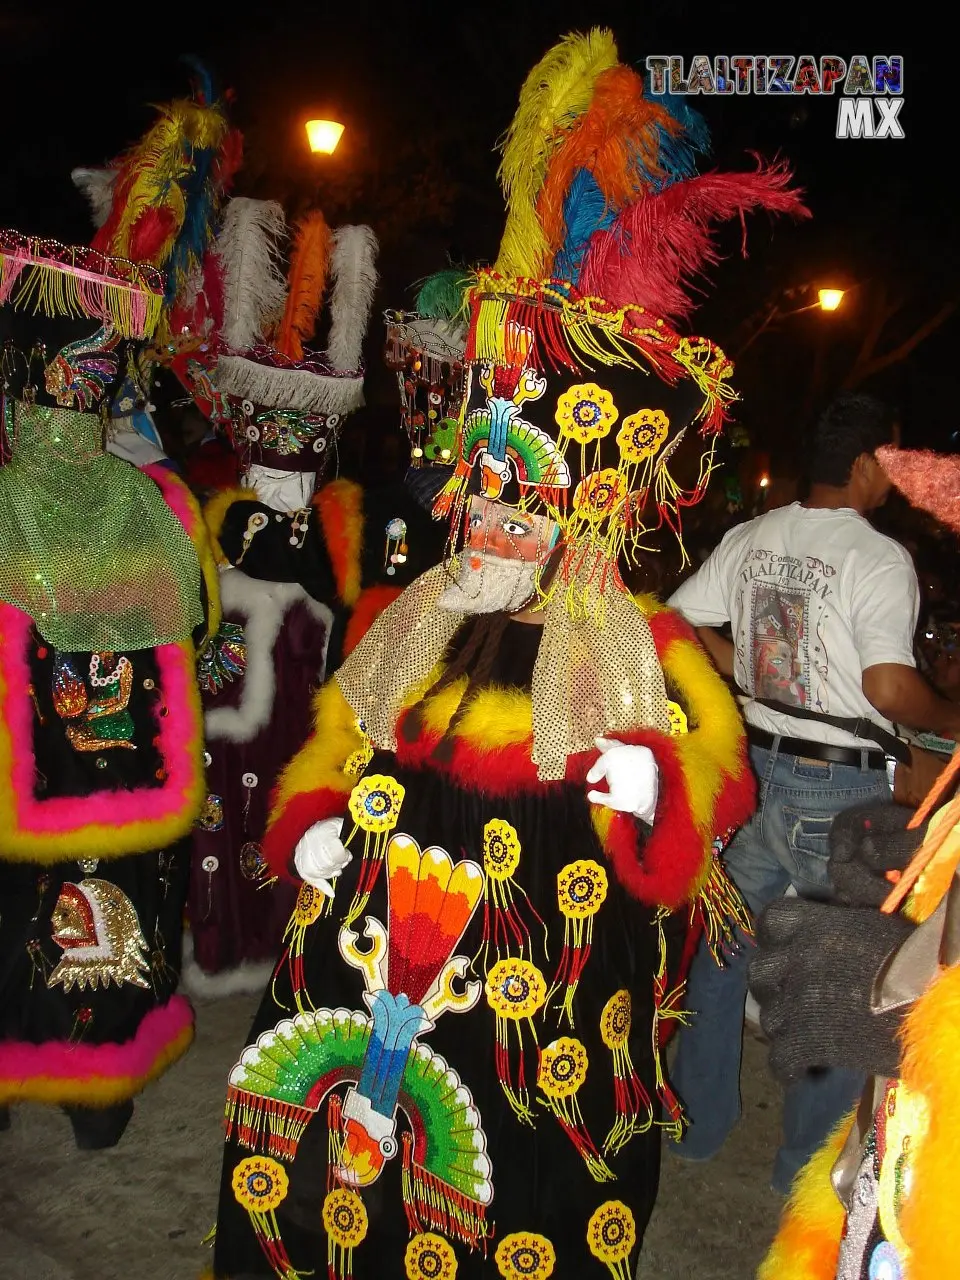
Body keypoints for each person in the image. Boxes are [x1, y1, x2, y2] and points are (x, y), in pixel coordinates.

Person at [205, 29, 807, 1279]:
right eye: (474, 489)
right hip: (370, 974)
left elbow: (712, 789)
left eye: (511, 496)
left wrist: (658, 787)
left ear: (581, 511)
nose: (477, 517)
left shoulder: (649, 651)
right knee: (334, 1168)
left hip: (544, 1001)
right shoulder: (409, 618)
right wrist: (315, 816)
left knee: (512, 1183)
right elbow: (337, 736)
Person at [665, 393, 960, 1194]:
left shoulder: (755, 536)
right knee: (840, 977)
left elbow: (674, 624)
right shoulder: (877, 555)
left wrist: (749, 671)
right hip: (843, 788)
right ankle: (803, 1171)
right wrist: (949, 719)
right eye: (891, 462)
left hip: (760, 774)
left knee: (722, 947)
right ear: (865, 463)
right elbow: (892, 687)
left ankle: (697, 1124)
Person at [751, 442, 960, 1279]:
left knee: (788, 966)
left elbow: (885, 688)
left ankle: (739, 1143)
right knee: (776, 955)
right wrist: (926, 854)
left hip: (778, 760)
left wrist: (897, 993)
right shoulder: (872, 554)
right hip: (817, 773)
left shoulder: (765, 534)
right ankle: (773, 1156)